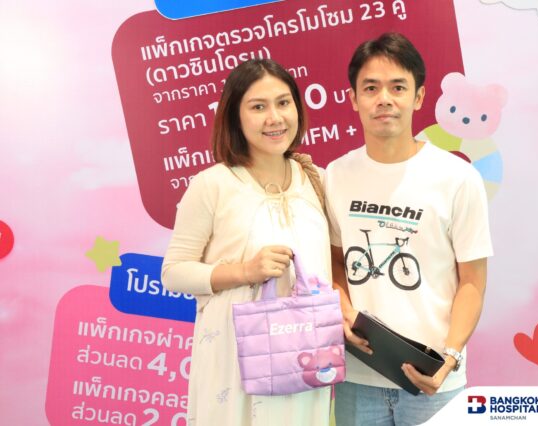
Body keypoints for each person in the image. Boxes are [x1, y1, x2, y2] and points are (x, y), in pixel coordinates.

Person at [325, 33, 493, 425]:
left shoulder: (458, 178)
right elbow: (334, 262)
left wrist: (450, 357)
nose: (384, 99)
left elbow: (472, 282)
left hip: (434, 381)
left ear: (418, 97)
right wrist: (345, 311)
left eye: (398, 87)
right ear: (353, 99)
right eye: (371, 88)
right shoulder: (336, 175)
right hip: (357, 379)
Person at [162, 59, 331, 426]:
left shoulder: (317, 179)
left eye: (283, 103)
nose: (275, 118)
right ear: (235, 117)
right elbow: (173, 272)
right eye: (258, 107)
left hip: (304, 355)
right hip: (233, 358)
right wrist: (245, 271)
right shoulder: (213, 184)